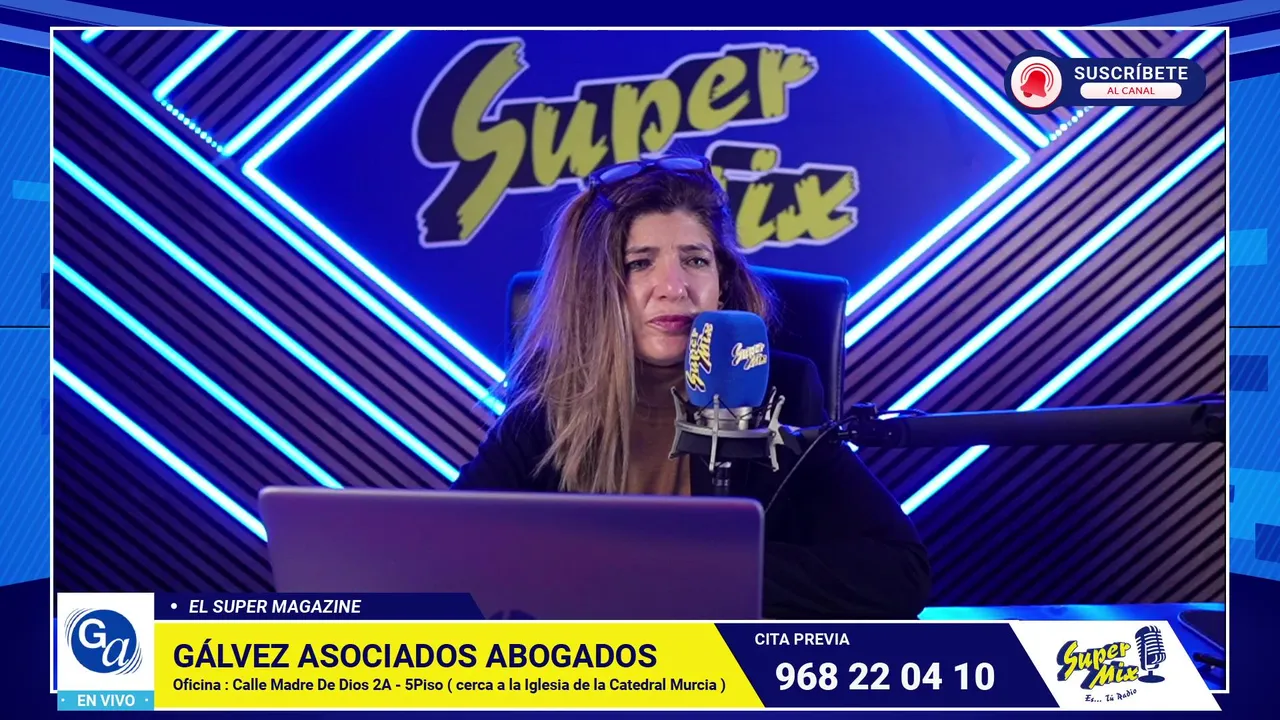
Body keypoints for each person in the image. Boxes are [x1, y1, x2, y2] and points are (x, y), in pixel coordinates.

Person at [453, 155, 931, 620]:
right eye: (640, 263)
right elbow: (449, 559)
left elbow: (899, 572)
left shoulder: (779, 391)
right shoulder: (546, 406)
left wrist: (703, 571)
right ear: (593, 289)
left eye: (696, 260)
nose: (674, 287)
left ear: (722, 284)